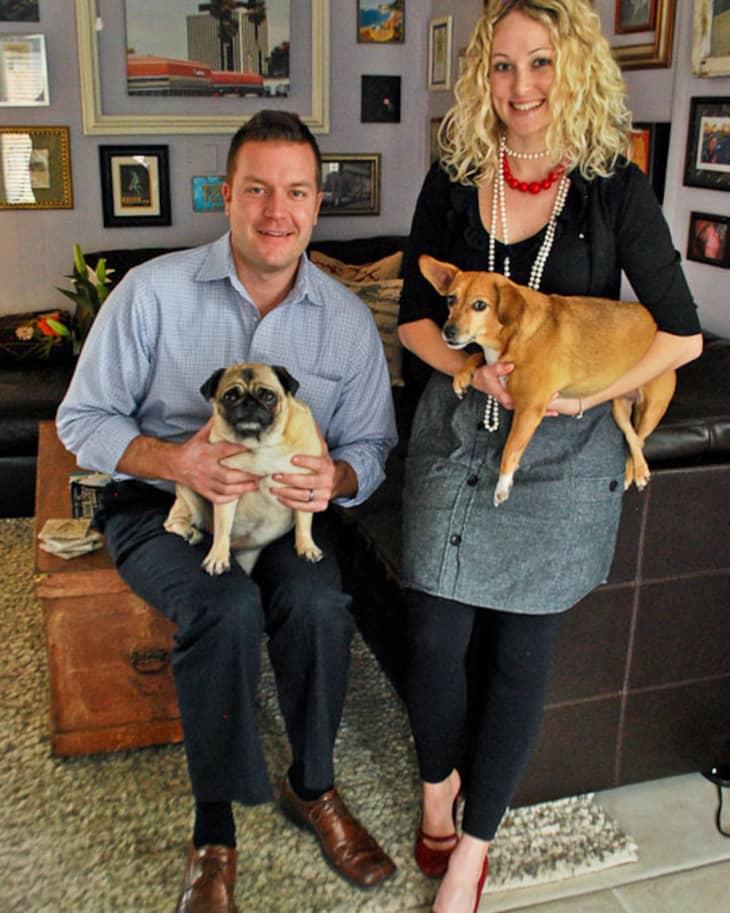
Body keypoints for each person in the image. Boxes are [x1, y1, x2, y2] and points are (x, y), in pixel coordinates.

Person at [396, 4, 703, 913]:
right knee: (434, 636)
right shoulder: (456, 178)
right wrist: (469, 370)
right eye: (500, 66)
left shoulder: (615, 186)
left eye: (539, 63)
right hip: (459, 437)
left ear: (572, 69)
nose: (521, 87)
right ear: (479, 77)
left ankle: (471, 852)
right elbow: (416, 315)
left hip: (565, 452)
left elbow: (681, 336)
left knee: (523, 653)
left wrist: (591, 391)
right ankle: (435, 790)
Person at [56, 110, 398, 913]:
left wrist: (339, 477)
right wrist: (176, 460)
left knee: (319, 603)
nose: (276, 210)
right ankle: (214, 830)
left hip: (283, 509)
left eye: (296, 191)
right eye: (257, 189)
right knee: (223, 603)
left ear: (317, 204)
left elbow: (375, 444)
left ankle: (312, 784)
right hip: (161, 503)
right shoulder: (152, 293)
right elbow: (81, 420)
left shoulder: (346, 324)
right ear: (226, 196)